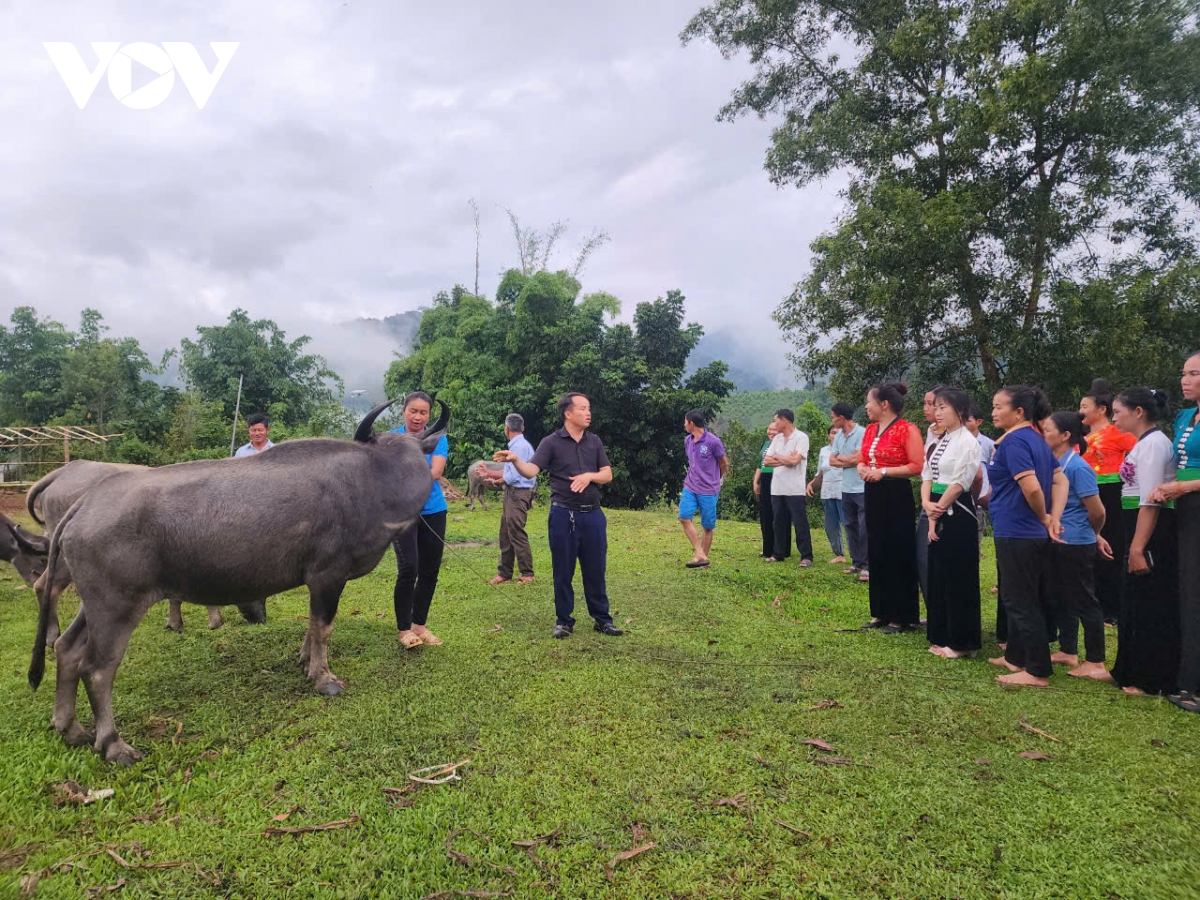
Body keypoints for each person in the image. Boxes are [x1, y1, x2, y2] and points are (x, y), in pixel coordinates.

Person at [494, 392, 623, 639]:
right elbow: (531, 471)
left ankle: (602, 619)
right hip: (563, 515)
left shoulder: (594, 441)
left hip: (593, 515)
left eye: (589, 408)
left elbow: (607, 474)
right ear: (568, 413)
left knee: (595, 569)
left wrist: (589, 476)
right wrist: (515, 459)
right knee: (563, 570)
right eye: (583, 408)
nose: (588, 413)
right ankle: (564, 621)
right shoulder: (551, 442)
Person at [986, 386, 1068, 688]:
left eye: (999, 407)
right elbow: (1059, 479)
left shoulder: (1016, 442)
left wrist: (1045, 515)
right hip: (1026, 531)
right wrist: (1053, 517)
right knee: (1021, 596)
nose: (993, 412)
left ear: (1018, 412)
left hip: (1018, 531)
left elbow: (1033, 487)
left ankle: (1037, 670)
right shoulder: (1036, 439)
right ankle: (1016, 657)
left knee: (1019, 600)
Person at [1110, 387, 1179, 696]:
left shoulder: (1154, 446)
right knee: (1133, 601)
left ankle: (1150, 678)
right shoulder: (1143, 444)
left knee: (1149, 603)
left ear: (1138, 412)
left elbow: (1151, 501)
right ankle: (1127, 669)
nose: (1113, 418)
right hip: (1133, 523)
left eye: (1117, 412)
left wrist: (1138, 548)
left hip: (1149, 529)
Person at [1041, 412, 1113, 681]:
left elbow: (1097, 511)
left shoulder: (1078, 467)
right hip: (1057, 538)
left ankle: (1095, 661)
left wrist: (1094, 534)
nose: (1044, 434)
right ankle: (1067, 650)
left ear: (1065, 436)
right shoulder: (1055, 463)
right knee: (1061, 596)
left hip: (1076, 541)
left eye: (1048, 430)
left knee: (1084, 599)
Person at [1149, 351, 1200, 712]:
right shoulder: (1184, 416)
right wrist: (1166, 486)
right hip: (1179, 509)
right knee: (1184, 592)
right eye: (1184, 373)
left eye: (1194, 374)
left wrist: (1184, 487)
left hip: (1193, 501)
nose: (1185, 380)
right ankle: (1182, 675)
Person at [855, 383, 924, 631]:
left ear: (884, 404)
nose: (866, 406)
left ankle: (900, 615)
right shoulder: (871, 429)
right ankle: (880, 612)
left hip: (896, 492)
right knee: (877, 548)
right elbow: (862, 458)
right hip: (873, 492)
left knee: (898, 550)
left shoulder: (907, 429)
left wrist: (883, 472)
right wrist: (863, 468)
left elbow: (916, 466)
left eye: (869, 401)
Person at [921, 387, 981, 658]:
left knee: (958, 576)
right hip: (935, 506)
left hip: (957, 513)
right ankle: (941, 632)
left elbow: (960, 481)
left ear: (959, 411)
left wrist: (938, 510)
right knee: (939, 573)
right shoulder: (939, 440)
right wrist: (926, 505)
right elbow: (927, 475)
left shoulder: (968, 442)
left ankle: (961, 642)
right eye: (936, 407)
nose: (937, 412)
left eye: (943, 407)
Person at [391, 392, 449, 650]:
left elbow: (435, 472)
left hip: (434, 510)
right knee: (408, 569)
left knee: (429, 570)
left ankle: (419, 626)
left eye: (423, 412)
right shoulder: (391, 439)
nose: (418, 417)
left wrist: (403, 474)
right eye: (413, 411)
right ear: (404, 411)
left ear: (429, 415)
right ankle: (404, 630)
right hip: (402, 512)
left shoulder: (438, 437)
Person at [1080, 378, 1138, 626]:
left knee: (1111, 547)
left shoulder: (1118, 433)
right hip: (1085, 493)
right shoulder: (1081, 436)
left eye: (1084, 406)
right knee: (1088, 546)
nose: (1080, 410)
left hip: (1111, 493)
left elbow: (1138, 452)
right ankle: (1089, 602)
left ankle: (1111, 607)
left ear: (1100, 410)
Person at [478, 414, 536, 585]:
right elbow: (510, 472)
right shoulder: (519, 446)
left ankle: (527, 573)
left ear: (506, 429)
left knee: (516, 531)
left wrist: (498, 480)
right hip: (512, 492)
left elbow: (514, 475)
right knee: (505, 532)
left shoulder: (518, 448)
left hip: (519, 493)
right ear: (522, 428)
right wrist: (490, 473)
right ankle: (505, 573)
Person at [763, 409, 813, 567]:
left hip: (794, 488)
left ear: (784, 420)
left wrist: (778, 457)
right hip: (777, 487)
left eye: (776, 420)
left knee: (799, 522)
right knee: (778, 522)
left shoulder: (801, 437)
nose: (774, 423)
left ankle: (806, 556)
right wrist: (784, 458)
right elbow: (767, 461)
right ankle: (778, 553)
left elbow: (795, 461)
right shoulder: (777, 439)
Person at [678, 410, 728, 568]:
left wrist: (716, 479)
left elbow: (723, 463)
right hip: (690, 486)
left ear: (692, 423)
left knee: (707, 526)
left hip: (709, 490)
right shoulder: (688, 440)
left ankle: (703, 560)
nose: (684, 425)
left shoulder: (713, 441)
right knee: (684, 517)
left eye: (685, 422)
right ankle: (700, 553)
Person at [829, 402, 868, 581]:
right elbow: (832, 460)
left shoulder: (862, 433)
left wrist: (843, 459)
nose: (832, 420)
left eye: (833, 417)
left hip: (861, 487)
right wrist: (849, 459)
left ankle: (867, 565)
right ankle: (857, 562)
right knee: (850, 525)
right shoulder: (838, 436)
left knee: (864, 527)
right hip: (846, 488)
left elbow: (860, 458)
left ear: (841, 417)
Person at [916, 388, 947, 612]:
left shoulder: (959, 436)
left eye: (932, 404)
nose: (927, 409)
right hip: (928, 501)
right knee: (923, 559)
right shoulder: (930, 431)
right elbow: (926, 470)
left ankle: (944, 613)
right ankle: (934, 612)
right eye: (926, 403)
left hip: (946, 503)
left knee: (940, 560)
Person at [807, 426, 845, 563]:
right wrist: (811, 484)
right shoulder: (824, 451)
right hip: (827, 492)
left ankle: (859, 557)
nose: (836, 435)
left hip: (844, 491)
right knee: (831, 526)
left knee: (849, 524)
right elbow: (820, 472)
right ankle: (840, 554)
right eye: (833, 433)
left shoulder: (848, 450)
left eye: (840, 433)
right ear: (829, 436)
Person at [966, 406, 994, 550]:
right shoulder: (957, 441)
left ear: (979, 422)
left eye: (968, 420)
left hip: (980, 498)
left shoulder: (988, 444)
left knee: (976, 539)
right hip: (961, 496)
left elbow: (991, 469)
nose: (964, 422)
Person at [752, 422, 779, 557]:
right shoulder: (765, 444)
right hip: (765, 478)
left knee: (777, 514)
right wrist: (756, 481)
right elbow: (760, 464)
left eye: (775, 429)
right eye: (770, 429)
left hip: (777, 478)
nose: (771, 432)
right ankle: (767, 547)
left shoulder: (782, 443)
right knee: (765, 514)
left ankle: (779, 548)